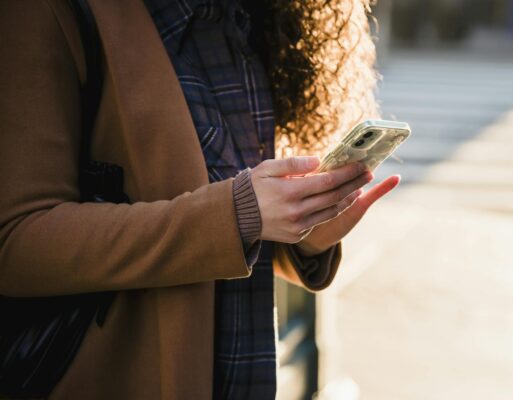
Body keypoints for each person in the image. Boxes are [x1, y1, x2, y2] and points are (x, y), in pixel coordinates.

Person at [0, 0, 400, 398]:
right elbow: (16, 243)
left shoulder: (245, 17)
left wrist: (306, 232)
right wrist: (238, 214)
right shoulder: (45, 12)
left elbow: (222, 226)